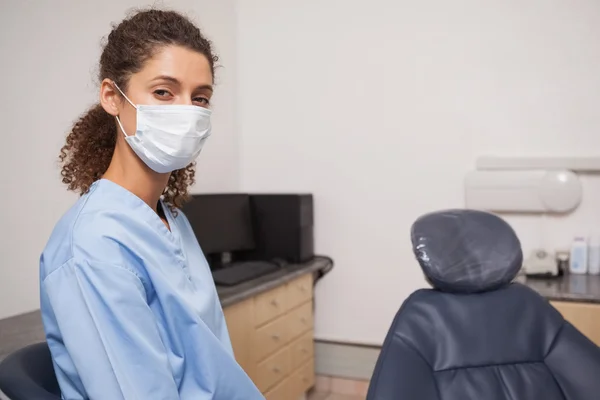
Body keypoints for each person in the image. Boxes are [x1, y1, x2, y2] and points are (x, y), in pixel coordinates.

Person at [39, 9, 264, 400]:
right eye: (164, 92)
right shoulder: (94, 248)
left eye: (200, 98)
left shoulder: (171, 219)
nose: (186, 111)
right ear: (112, 97)